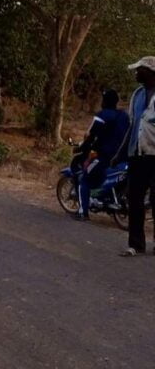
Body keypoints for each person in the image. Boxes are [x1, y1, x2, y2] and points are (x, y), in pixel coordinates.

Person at [115, 57, 155, 256]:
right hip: (137, 156)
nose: (136, 73)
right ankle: (136, 244)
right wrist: (120, 154)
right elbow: (132, 127)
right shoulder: (137, 95)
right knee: (134, 199)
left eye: (139, 70)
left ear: (149, 73)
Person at [71, 89, 129, 222]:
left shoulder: (102, 116)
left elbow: (90, 136)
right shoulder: (124, 116)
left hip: (105, 156)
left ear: (104, 101)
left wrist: (81, 148)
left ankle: (83, 212)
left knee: (84, 179)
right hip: (122, 157)